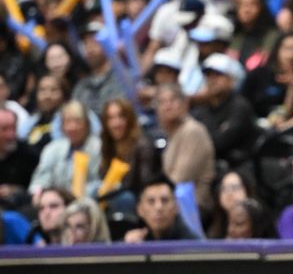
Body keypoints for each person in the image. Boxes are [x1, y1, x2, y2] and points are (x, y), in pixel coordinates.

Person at [155, 82, 216, 213]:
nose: (167, 106)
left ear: (185, 104)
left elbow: (180, 179)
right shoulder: (173, 133)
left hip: (193, 205)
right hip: (173, 201)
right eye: (162, 102)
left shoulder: (192, 131)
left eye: (173, 100)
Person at [193, 53, 258, 168]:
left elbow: (220, 142)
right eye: (209, 75)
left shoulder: (240, 107)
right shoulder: (201, 109)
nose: (212, 80)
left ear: (232, 79)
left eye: (218, 75)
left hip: (236, 167)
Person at [97, 98, 157, 213]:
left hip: (134, 198)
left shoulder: (142, 145)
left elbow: (145, 184)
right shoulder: (107, 144)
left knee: (123, 198)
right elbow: (102, 175)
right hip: (111, 193)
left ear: (129, 119)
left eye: (121, 117)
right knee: (93, 190)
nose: (116, 123)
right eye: (111, 118)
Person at [29, 101, 100, 198]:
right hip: (57, 202)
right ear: (62, 126)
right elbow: (40, 180)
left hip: (90, 201)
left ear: (87, 124)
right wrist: (38, 194)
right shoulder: (52, 148)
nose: (72, 127)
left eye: (78, 121)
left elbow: (100, 182)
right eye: (68, 122)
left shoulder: (99, 148)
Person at [123, 175, 200, 242]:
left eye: (165, 200)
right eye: (151, 201)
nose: (159, 207)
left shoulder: (193, 245)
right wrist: (127, 247)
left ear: (177, 207)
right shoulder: (133, 241)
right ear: (140, 209)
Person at [73, 22, 125, 117]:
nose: (89, 47)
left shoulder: (124, 79)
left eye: (94, 41)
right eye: (85, 43)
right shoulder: (81, 86)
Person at [0, 106, 36, 210]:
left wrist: (17, 190)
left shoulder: (30, 155)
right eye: (4, 129)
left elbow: (36, 189)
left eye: (13, 128)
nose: (11, 135)